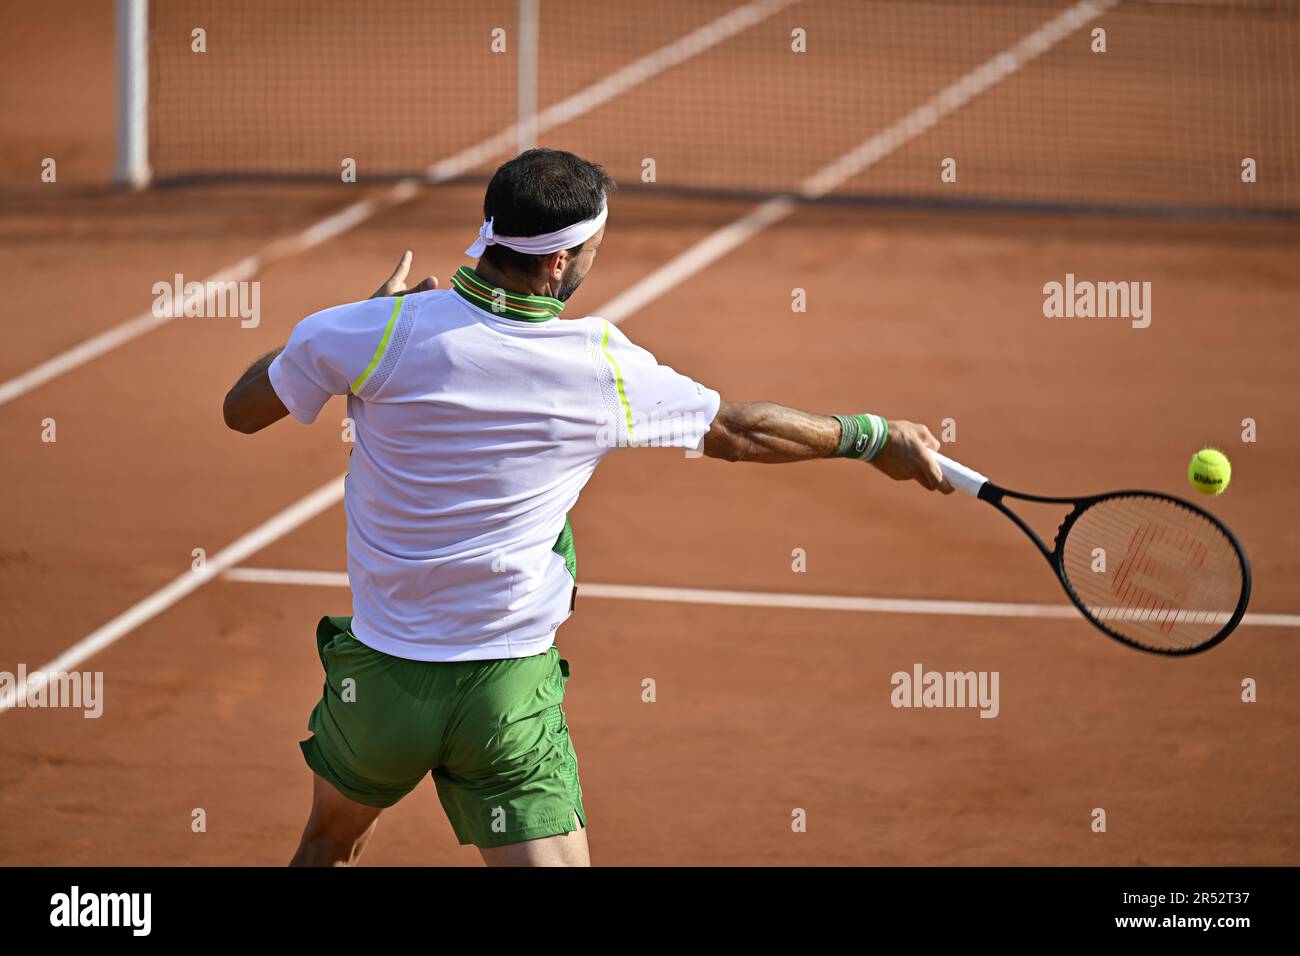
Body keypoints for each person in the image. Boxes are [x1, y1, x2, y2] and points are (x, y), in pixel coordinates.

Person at [222, 148, 951, 867]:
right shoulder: (600, 363)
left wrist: (357, 321)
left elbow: (243, 411)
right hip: (503, 699)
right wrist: (869, 436)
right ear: (557, 263)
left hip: (379, 686)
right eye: (595, 249)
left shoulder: (366, 332)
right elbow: (739, 431)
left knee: (327, 846)